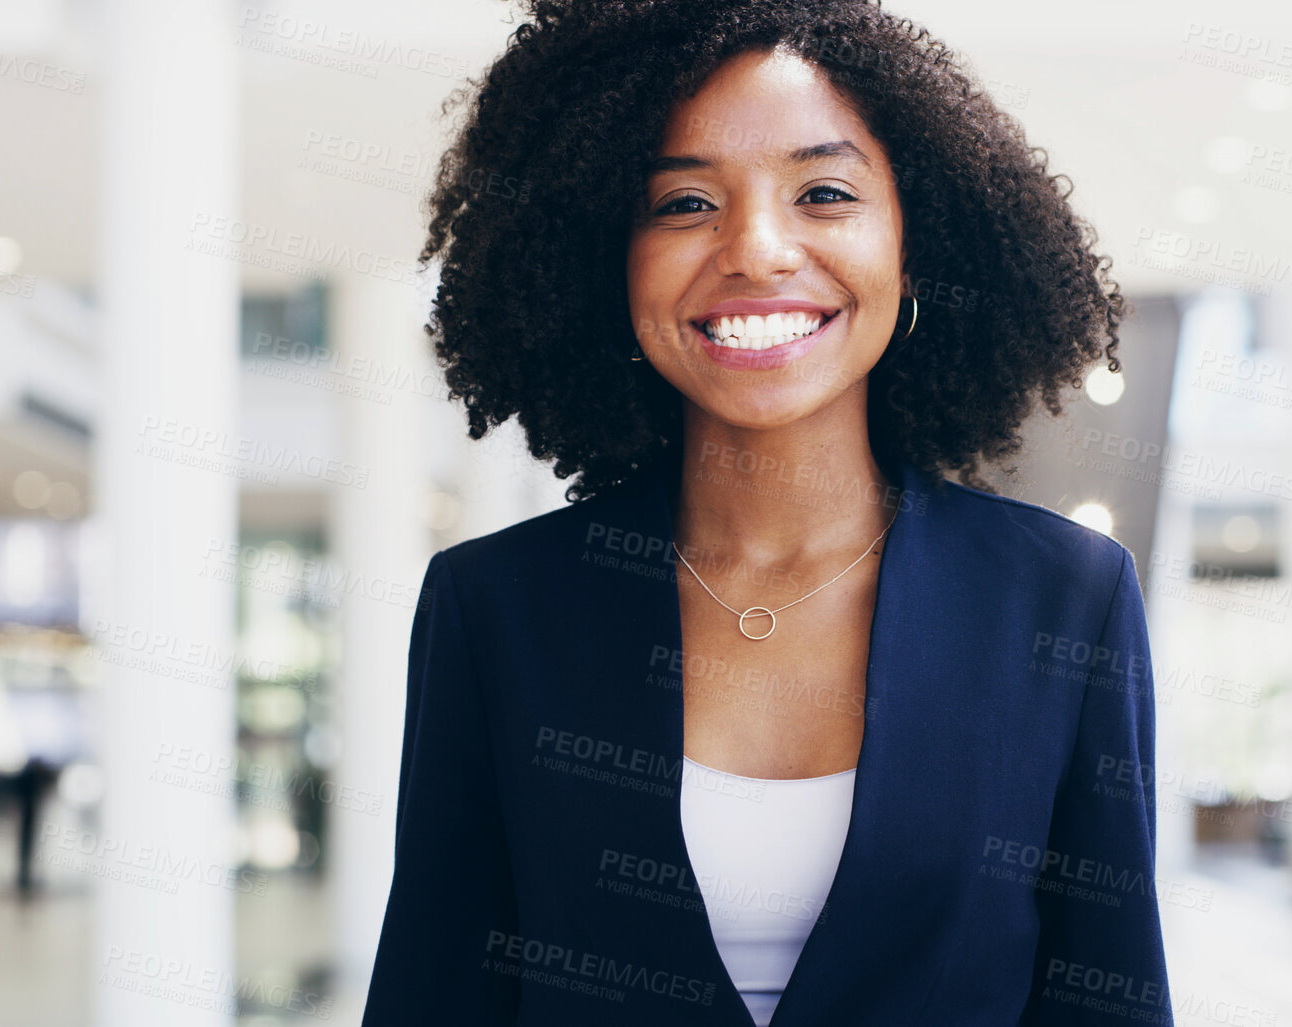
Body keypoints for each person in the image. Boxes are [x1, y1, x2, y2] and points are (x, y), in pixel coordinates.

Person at [362, 2, 1172, 1024]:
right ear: (605, 258)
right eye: (684, 203)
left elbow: (1112, 997)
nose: (754, 249)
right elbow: (434, 995)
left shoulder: (1064, 600)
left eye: (824, 192)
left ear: (916, 244)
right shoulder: (497, 607)